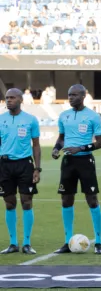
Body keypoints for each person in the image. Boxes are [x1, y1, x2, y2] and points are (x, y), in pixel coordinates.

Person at [52, 84, 101, 254]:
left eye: (74, 95)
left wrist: (80, 148)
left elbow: (100, 143)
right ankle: (67, 242)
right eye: (69, 95)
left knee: (92, 200)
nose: (70, 98)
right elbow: (61, 138)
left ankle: (98, 242)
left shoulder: (93, 116)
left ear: (83, 96)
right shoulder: (64, 116)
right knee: (66, 200)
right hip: (68, 162)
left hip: (85, 162)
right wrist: (55, 148)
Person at [0, 88, 41, 255]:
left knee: (26, 202)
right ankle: (13, 243)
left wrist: (37, 168)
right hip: (5, 165)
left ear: (20, 100)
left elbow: (36, 145)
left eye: (12, 98)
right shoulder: (1, 120)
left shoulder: (30, 120)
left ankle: (27, 243)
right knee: (9, 203)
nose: (8, 100)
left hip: (25, 165)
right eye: (7, 98)